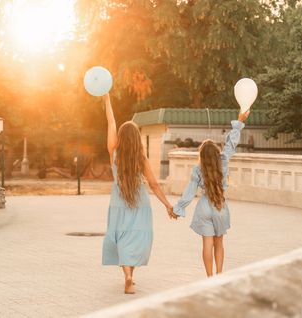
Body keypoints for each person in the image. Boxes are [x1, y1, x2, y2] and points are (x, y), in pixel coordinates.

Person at [101, 93, 176, 294]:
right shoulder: (141, 158)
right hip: (139, 200)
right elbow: (153, 184)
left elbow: (111, 122)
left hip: (118, 200)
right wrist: (168, 205)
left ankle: (127, 275)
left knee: (122, 236)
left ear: (121, 138)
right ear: (137, 139)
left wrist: (108, 100)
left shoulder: (114, 152)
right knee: (136, 237)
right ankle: (130, 275)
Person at [173, 110, 250, 277]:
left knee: (207, 244)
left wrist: (178, 209)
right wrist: (239, 121)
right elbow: (231, 143)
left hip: (204, 208)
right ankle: (220, 275)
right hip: (220, 207)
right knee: (219, 243)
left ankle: (209, 277)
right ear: (216, 153)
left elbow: (189, 192)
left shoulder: (197, 170)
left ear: (201, 156)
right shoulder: (223, 162)